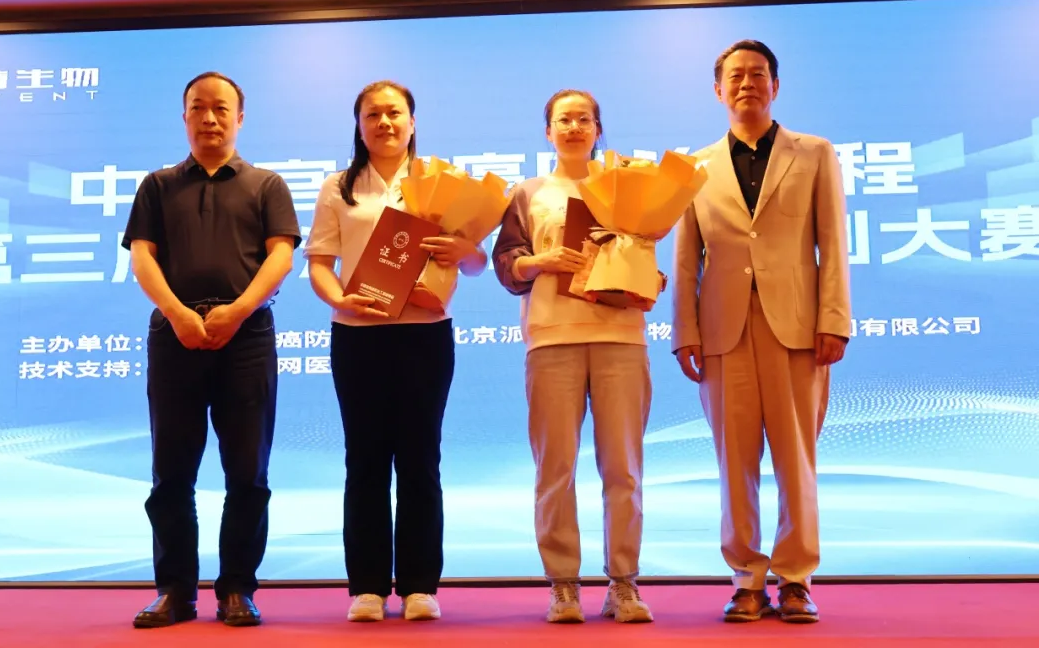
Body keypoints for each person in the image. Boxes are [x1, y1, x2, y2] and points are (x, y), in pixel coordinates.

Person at [671, 40, 851, 623]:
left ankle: (795, 577)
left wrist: (834, 320)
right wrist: (684, 330)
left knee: (796, 459)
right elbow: (686, 260)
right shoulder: (694, 167)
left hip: (797, 328)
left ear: (775, 85)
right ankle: (746, 578)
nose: (746, 83)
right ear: (717, 90)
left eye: (757, 74)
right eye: (735, 76)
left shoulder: (814, 153)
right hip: (722, 331)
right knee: (735, 461)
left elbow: (833, 244)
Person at [304, 80, 486, 622]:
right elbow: (319, 263)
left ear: (412, 121)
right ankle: (366, 586)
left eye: (394, 113)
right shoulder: (339, 187)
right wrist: (342, 300)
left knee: (419, 459)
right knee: (364, 460)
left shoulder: (440, 184)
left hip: (424, 335)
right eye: (372, 115)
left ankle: (419, 586)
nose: (384, 123)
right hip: (357, 335)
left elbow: (476, 263)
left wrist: (463, 249)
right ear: (358, 125)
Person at [124, 72, 301, 629]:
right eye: (198, 107)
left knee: (247, 471)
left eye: (221, 108)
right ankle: (175, 591)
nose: (209, 118)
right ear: (184, 117)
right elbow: (142, 257)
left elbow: (280, 256)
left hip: (246, 337)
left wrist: (238, 310)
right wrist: (179, 314)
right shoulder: (157, 185)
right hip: (175, 337)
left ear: (239, 117)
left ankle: (237, 590)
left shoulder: (267, 184)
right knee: (171, 472)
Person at [492, 89, 654, 625]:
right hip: (551, 338)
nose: (574, 127)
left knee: (623, 468)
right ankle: (563, 584)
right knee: (555, 468)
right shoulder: (529, 192)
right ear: (548, 131)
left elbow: (645, 251)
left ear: (598, 129)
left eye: (584, 119)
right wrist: (541, 261)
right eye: (564, 119)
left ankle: (623, 583)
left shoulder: (626, 187)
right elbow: (506, 263)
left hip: (620, 337)